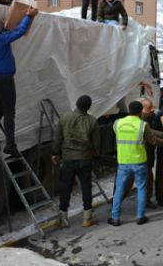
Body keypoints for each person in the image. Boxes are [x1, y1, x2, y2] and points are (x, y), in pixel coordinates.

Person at [0, 6, 38, 156]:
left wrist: (4, 28)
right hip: (4, 79)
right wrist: (29, 16)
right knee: (9, 111)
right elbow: (20, 31)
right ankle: (10, 145)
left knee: (1, 108)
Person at [108, 101, 163, 226]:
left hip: (123, 162)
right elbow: (154, 141)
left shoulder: (117, 123)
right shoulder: (142, 125)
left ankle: (115, 218)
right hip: (139, 162)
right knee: (141, 188)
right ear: (140, 112)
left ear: (129, 110)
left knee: (119, 190)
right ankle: (140, 217)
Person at [52, 95, 101, 228]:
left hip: (68, 158)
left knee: (66, 188)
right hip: (84, 158)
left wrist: (55, 153)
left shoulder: (65, 117)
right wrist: (95, 153)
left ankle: (63, 219)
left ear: (77, 104)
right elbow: (96, 144)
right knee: (86, 187)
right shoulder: (92, 121)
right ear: (88, 107)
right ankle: (87, 218)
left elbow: (57, 138)